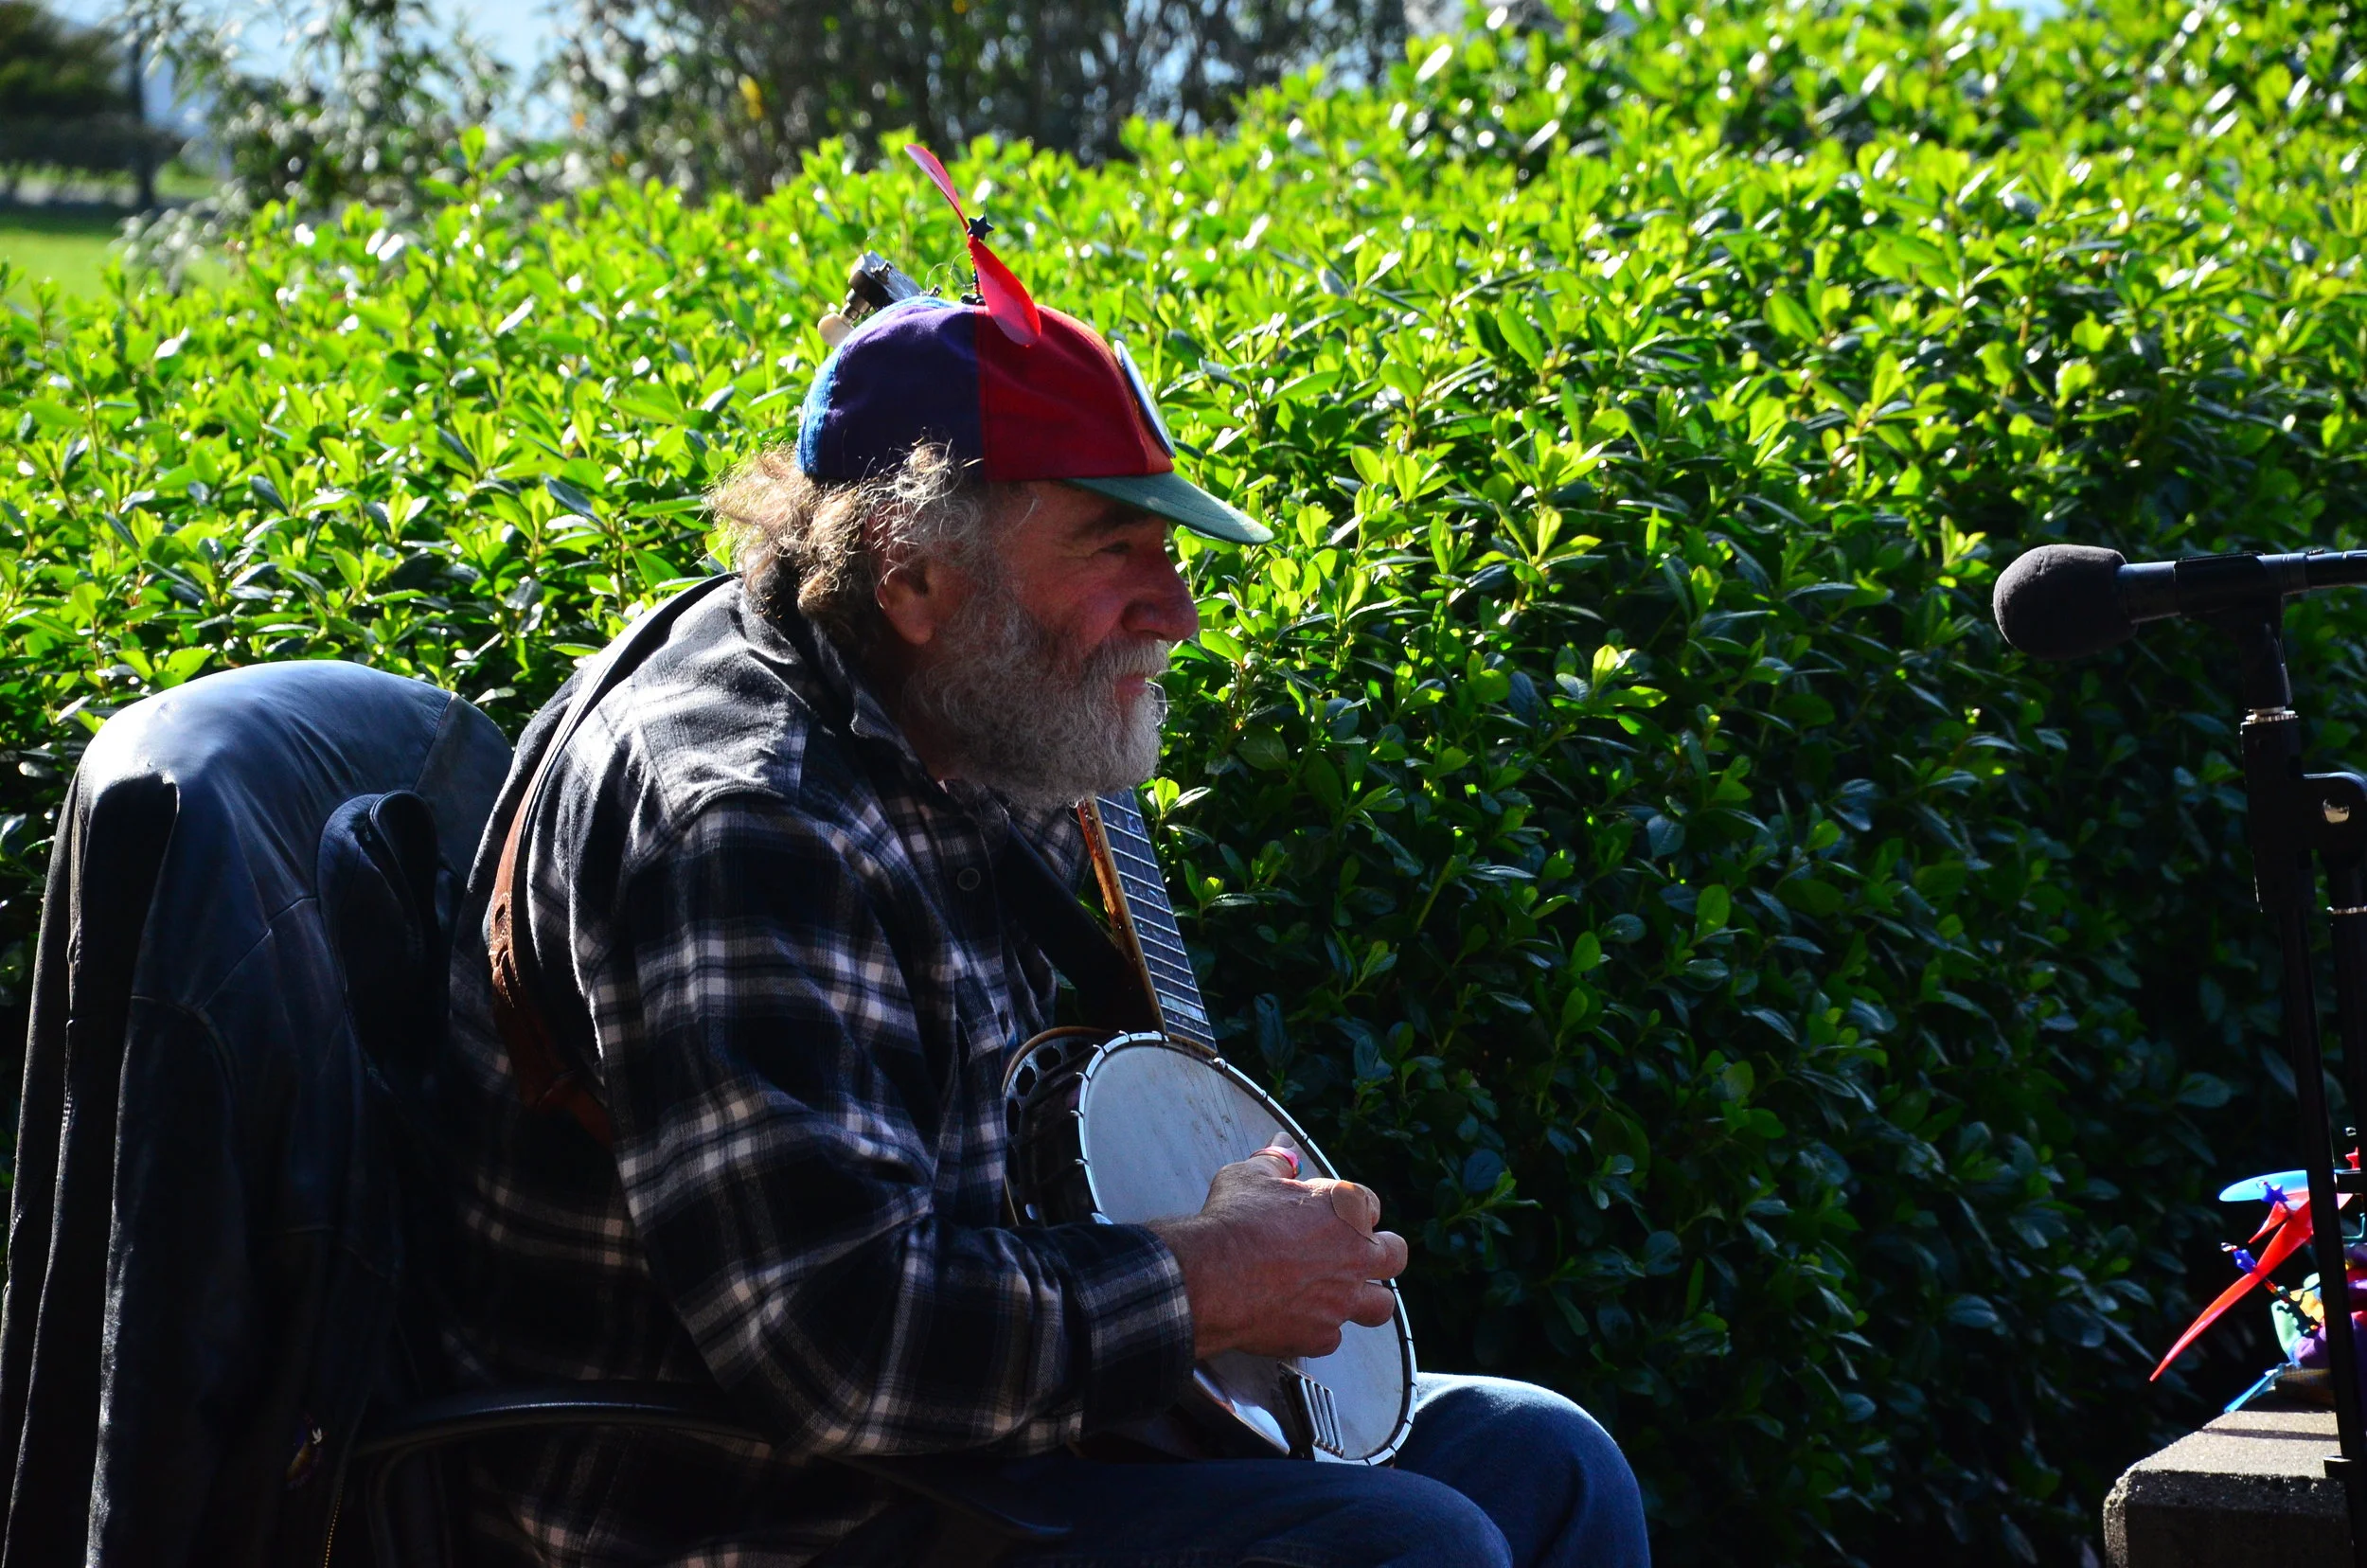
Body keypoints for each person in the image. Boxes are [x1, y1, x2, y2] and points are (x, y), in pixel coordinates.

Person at [434, 262, 1650, 1566]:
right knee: (1407, 1551)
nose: (1176, 611)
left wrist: (1204, 1249)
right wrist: (1202, 1280)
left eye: (1170, 551)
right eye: (1113, 552)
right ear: (911, 576)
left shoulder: (945, 696)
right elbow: (839, 1348)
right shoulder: (746, 825)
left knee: (1547, 1465)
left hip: (956, 1451)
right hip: (743, 1507)